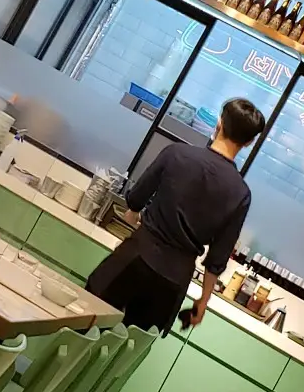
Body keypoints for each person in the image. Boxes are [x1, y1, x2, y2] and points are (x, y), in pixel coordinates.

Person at [85, 96, 266, 333]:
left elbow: (136, 199)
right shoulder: (241, 194)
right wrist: (203, 302)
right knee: (128, 345)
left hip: (136, 256)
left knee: (86, 322)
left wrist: (135, 215)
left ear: (219, 124)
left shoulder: (176, 154)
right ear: (249, 142)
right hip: (172, 282)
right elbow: (217, 258)